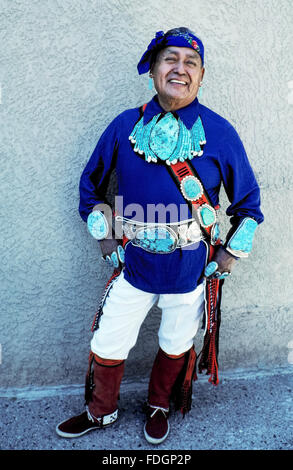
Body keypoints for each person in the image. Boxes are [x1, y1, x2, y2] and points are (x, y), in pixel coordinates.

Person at [56, 27, 264, 444]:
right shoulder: (123, 125)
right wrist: (105, 236)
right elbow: (90, 187)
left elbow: (249, 206)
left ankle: (158, 405)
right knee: (109, 338)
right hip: (132, 265)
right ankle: (100, 412)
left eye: (191, 62)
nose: (180, 69)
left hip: (189, 268)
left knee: (176, 341)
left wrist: (227, 257)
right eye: (170, 59)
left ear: (201, 76)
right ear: (153, 69)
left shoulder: (220, 133)